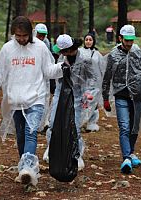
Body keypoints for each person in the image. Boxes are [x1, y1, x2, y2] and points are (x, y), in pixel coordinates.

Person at [0, 16, 63, 186]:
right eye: (18, 36)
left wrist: (65, 66)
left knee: (30, 133)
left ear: (30, 33)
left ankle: (28, 169)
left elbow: (48, 70)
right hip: (15, 100)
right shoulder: (7, 49)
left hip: (36, 98)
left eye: (24, 35)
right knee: (21, 135)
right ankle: (24, 168)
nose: (22, 39)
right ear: (13, 34)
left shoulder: (40, 48)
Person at [102, 25, 141, 174]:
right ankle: (127, 157)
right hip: (121, 96)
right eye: (126, 40)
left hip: (136, 96)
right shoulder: (113, 55)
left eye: (131, 40)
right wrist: (105, 99)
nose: (129, 43)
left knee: (134, 128)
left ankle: (131, 152)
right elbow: (107, 78)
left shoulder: (138, 53)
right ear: (120, 38)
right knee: (124, 127)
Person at [43, 34, 100, 171]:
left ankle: (76, 154)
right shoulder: (63, 58)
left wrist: (88, 94)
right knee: (53, 123)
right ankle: (53, 149)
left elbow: (93, 78)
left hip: (78, 95)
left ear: (69, 49)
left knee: (74, 126)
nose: (61, 53)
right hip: (60, 93)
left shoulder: (86, 60)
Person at [80, 33, 106, 132]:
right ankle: (81, 121)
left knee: (94, 103)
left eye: (90, 40)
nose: (88, 41)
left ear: (93, 41)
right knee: (83, 103)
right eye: (86, 39)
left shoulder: (97, 54)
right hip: (83, 83)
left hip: (95, 84)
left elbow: (102, 68)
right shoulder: (80, 52)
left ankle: (91, 123)